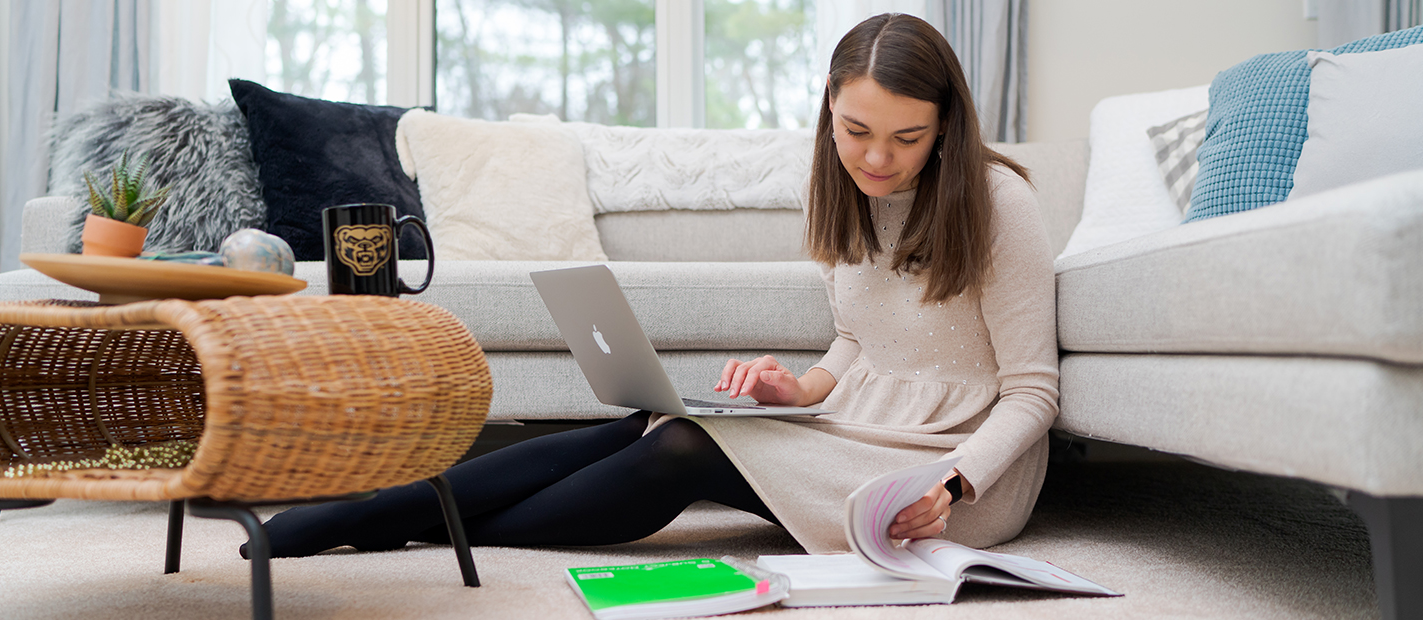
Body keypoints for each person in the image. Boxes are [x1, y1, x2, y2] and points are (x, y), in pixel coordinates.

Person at [250, 12, 1056, 559]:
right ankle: (392, 510)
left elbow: (1031, 392)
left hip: (951, 472)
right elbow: (859, 339)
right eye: (856, 132)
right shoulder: (837, 191)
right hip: (851, 425)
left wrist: (952, 480)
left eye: (906, 138)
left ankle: (391, 518)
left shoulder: (999, 203)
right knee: (655, 419)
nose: (877, 158)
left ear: (946, 123)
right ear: (830, 115)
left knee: (680, 448)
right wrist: (796, 388)